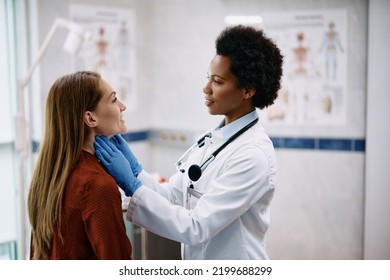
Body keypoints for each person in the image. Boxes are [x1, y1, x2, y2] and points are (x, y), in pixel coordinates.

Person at [95, 25, 283, 259]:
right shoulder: (214, 140)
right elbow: (173, 197)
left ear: (247, 90)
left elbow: (196, 227)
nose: (206, 89)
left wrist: (133, 187)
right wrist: (136, 172)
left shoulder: (253, 155)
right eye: (208, 78)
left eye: (217, 81)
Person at [27, 71, 132, 260]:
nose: (122, 106)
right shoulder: (98, 185)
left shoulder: (47, 178)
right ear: (90, 119)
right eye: (114, 99)